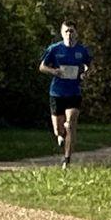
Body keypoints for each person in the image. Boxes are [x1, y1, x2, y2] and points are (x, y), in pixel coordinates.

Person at [38, 21, 93, 171]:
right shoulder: (54, 49)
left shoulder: (82, 51)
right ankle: (60, 135)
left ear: (76, 33)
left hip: (74, 92)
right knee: (59, 130)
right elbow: (42, 67)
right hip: (57, 93)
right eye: (66, 31)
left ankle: (67, 159)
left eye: (72, 31)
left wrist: (85, 74)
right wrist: (54, 71)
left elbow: (89, 66)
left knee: (70, 123)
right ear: (62, 33)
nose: (69, 34)